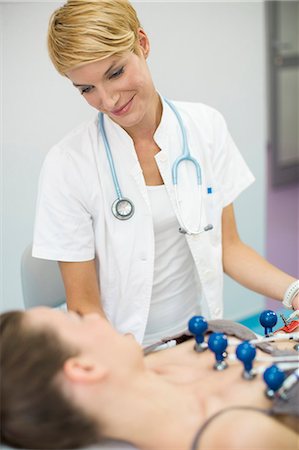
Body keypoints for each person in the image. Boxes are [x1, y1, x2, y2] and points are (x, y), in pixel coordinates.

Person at [32, 0, 299, 345]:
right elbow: (84, 307)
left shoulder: (206, 127)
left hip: (199, 335)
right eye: (87, 89)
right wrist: (131, 368)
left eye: (115, 73)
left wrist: (294, 291)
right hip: (120, 348)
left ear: (141, 43)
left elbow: (228, 248)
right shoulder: (67, 164)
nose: (109, 100)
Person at [1, 306, 298, 450]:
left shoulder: (148, 364)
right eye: (75, 319)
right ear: (85, 369)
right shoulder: (237, 437)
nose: (92, 315)